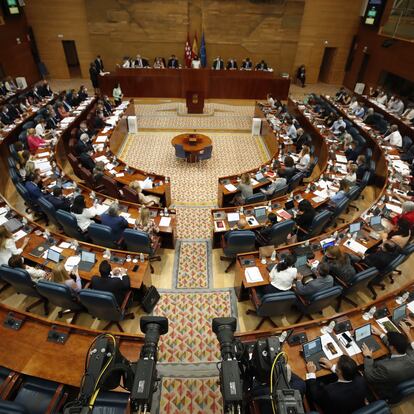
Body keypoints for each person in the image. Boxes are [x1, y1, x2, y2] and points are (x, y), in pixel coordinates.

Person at [362, 328, 414, 400]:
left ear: (392, 347)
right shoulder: (411, 354)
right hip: (401, 377)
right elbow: (396, 345)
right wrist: (381, 334)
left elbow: (369, 376)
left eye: (389, 343)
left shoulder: (386, 368)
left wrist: (368, 357)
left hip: (385, 388)